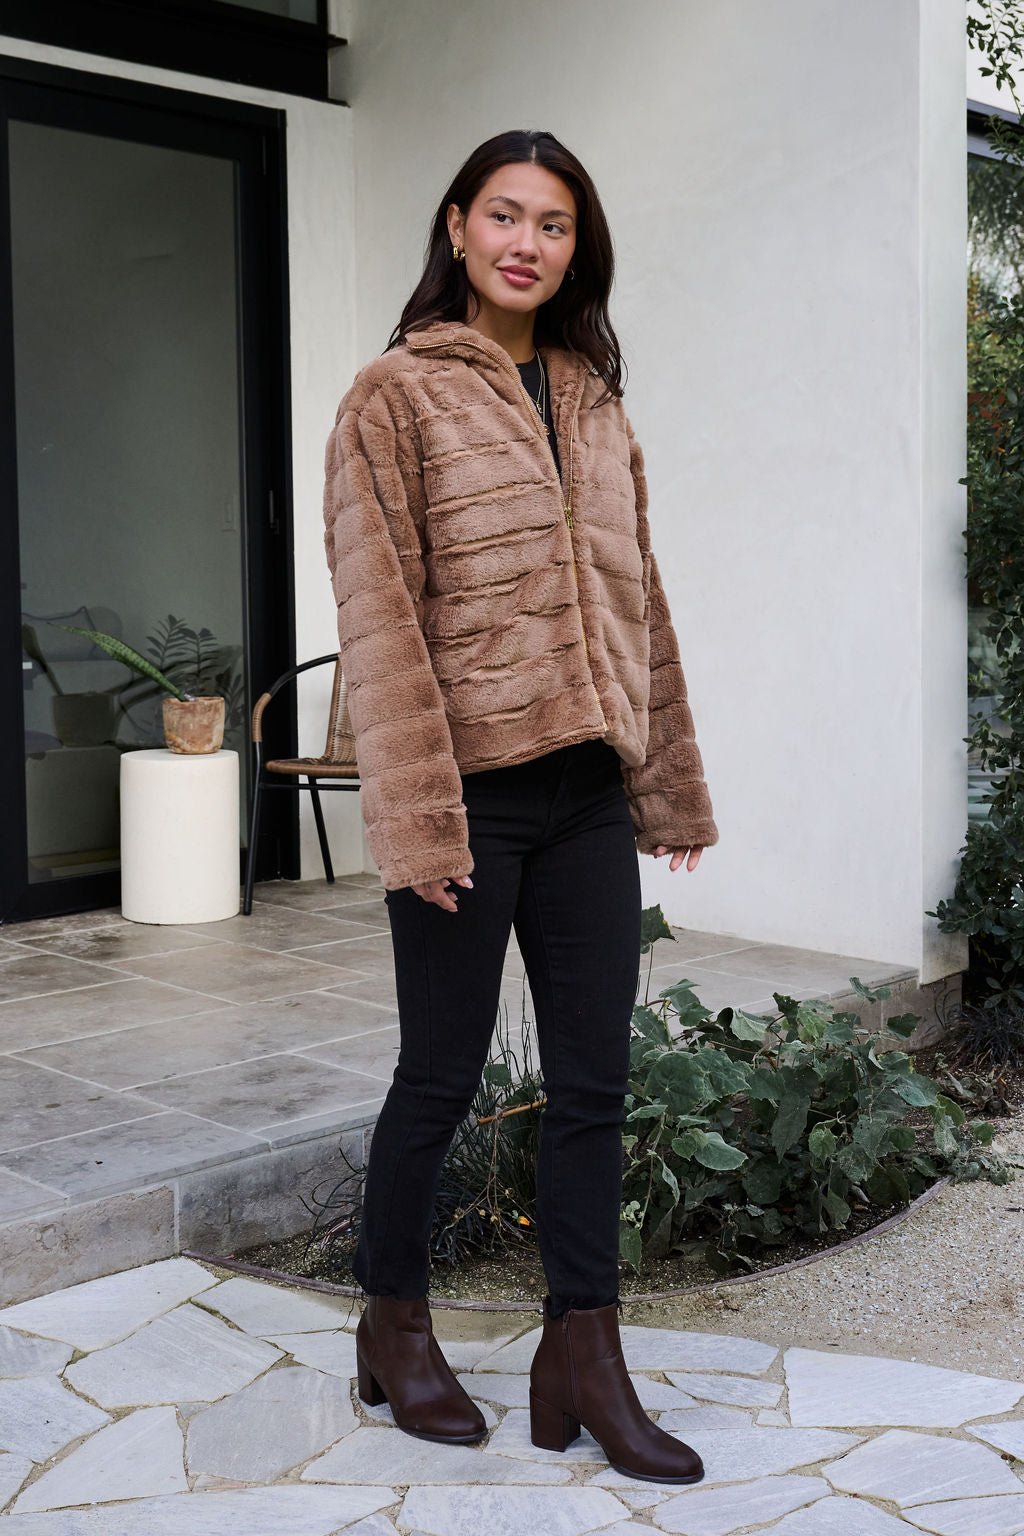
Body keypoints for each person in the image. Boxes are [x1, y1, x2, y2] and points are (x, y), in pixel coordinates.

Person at [323, 129, 718, 1485]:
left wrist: (662, 772)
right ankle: (391, 1325)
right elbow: (380, 620)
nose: (527, 242)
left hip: (587, 796)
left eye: (553, 224)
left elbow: (636, 598)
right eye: (506, 214)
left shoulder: (596, 400)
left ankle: (584, 1352)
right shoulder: (393, 394)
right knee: (437, 1078)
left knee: (596, 1086)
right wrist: (420, 818)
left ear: (573, 249)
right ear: (455, 224)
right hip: (469, 796)